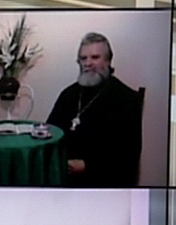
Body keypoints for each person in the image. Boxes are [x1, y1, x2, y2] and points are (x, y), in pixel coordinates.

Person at [47, 32, 143, 187]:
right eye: (83, 58)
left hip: (103, 182)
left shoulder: (126, 99)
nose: (88, 63)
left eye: (95, 57)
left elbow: (128, 156)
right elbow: (51, 132)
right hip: (63, 176)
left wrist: (86, 165)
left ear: (108, 60)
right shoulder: (69, 94)